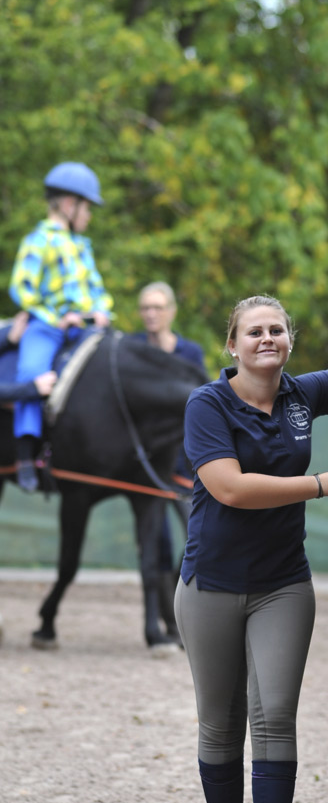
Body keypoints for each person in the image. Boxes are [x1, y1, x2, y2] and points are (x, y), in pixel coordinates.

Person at [174, 295, 328, 803]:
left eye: (277, 329)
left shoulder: (301, 397)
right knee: (221, 722)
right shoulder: (207, 404)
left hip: (283, 585)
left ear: (291, 338)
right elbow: (228, 488)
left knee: (275, 714)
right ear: (232, 344)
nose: (267, 339)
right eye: (254, 331)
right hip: (209, 585)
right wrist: (320, 485)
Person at [8, 162, 113, 492]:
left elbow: (97, 288)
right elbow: (21, 289)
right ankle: (25, 454)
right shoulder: (38, 240)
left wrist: (101, 310)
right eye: (88, 208)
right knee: (32, 371)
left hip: (84, 327)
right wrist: (56, 317)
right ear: (70, 204)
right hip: (47, 326)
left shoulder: (81, 246)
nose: (89, 216)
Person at [133, 281, 207, 622]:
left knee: (198, 535)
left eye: (157, 307)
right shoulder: (131, 350)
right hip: (145, 466)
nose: (151, 314)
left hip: (183, 464)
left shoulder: (189, 353)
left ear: (171, 312)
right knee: (155, 543)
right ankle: (163, 619)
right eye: (145, 307)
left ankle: (180, 612)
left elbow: (201, 406)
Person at [0, 313, 57, 402]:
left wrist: (9, 338)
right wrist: (32, 389)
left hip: (31, 333)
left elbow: (11, 336)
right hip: (23, 388)